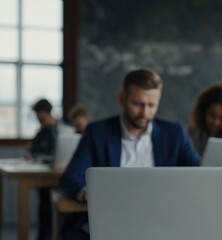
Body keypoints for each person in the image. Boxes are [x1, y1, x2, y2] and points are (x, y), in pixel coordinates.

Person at [59, 69, 201, 240]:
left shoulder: (174, 133)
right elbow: (70, 177)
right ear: (122, 99)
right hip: (111, 221)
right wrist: (89, 193)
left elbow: (199, 174)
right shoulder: (97, 132)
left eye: (151, 105)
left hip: (161, 222)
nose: (144, 113)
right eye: (138, 104)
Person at [27, 99, 58, 240]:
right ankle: (43, 235)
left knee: (47, 206)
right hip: (40, 175)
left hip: (53, 175)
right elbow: (33, 150)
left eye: (42, 118)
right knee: (43, 206)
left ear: (48, 114)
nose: (40, 121)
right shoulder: (41, 132)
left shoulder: (56, 131)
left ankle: (48, 235)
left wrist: (36, 157)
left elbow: (54, 155)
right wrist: (31, 156)